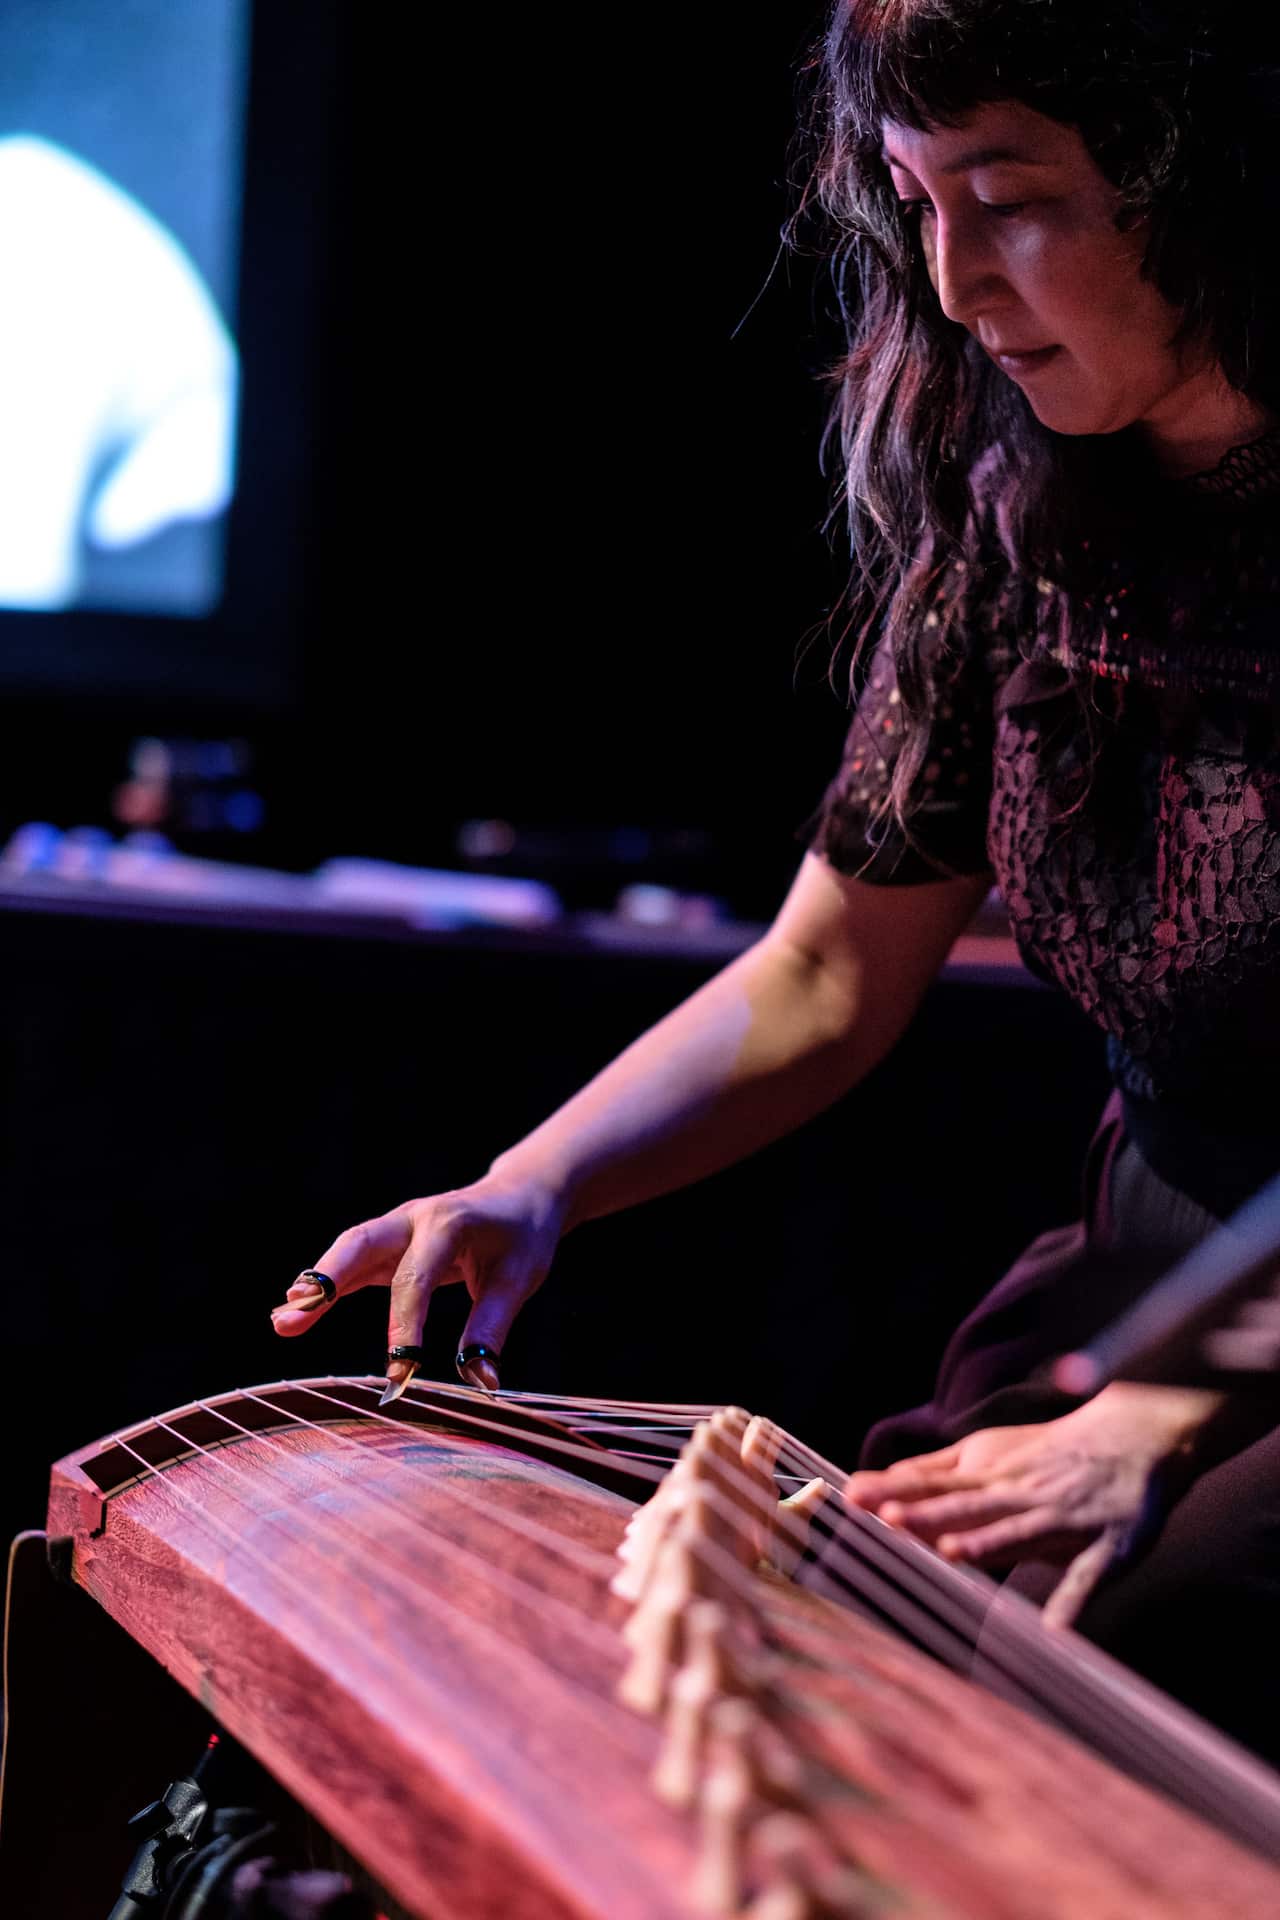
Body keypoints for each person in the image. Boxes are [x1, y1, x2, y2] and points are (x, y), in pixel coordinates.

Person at [273, 1, 1280, 1762]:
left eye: (1011, 194)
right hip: (1153, 1265)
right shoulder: (1025, 513)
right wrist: (536, 1185)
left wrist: (1171, 1413)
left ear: (1216, 181)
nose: (957, 281)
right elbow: (828, 968)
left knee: (1143, 1640)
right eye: (913, 200)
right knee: (848, 1627)